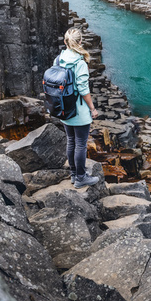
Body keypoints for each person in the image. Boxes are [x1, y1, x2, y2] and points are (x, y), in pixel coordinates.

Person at [54, 27, 100, 188]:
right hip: (79, 111)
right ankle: (81, 178)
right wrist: (92, 108)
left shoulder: (59, 59)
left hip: (64, 109)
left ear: (66, 42)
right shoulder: (80, 63)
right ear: (80, 42)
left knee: (71, 140)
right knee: (80, 143)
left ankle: (73, 174)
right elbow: (83, 89)